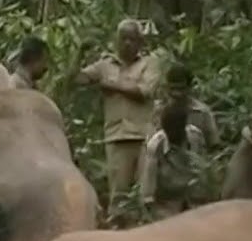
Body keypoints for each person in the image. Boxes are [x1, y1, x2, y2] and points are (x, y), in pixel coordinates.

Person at [78, 19, 164, 226]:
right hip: (117, 136)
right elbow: (77, 79)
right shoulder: (105, 65)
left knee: (145, 195)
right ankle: (117, 236)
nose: (127, 44)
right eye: (123, 39)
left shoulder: (150, 63)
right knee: (119, 196)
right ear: (116, 40)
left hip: (143, 136)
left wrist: (112, 85)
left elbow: (144, 92)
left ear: (140, 42)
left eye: (132, 39)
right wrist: (78, 54)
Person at [138, 98, 209, 221]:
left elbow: (203, 172)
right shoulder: (156, 146)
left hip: (193, 199)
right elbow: (147, 194)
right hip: (167, 204)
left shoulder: (195, 137)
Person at [157, 63, 219, 149]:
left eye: (181, 89)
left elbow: (214, 145)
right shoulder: (159, 110)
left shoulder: (202, 112)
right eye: (172, 88)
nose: (176, 93)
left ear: (190, 87)